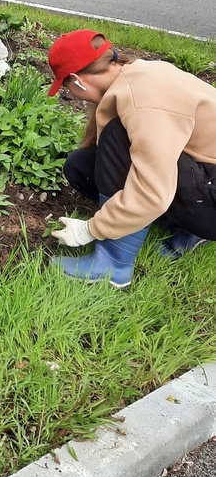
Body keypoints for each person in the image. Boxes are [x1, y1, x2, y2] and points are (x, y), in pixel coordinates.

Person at [48, 29, 216, 287]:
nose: (71, 95)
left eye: (67, 87)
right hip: (206, 177)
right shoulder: (138, 74)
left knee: (119, 137)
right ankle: (186, 229)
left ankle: (113, 263)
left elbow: (151, 191)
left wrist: (90, 229)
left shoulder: (144, 99)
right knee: (82, 166)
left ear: (78, 80)